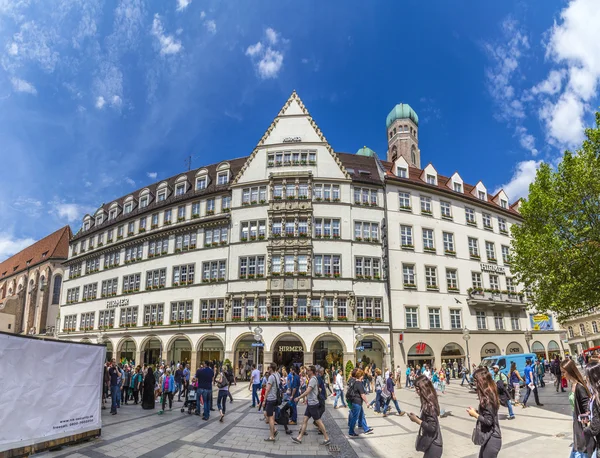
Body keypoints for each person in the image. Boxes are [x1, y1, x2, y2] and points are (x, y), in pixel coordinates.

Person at [467, 367, 502, 458]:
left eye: (476, 380)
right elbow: (489, 414)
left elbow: (489, 421)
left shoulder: (487, 398)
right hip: (489, 438)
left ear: (481, 381)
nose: (475, 383)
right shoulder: (489, 394)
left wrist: (475, 415)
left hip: (492, 438)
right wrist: (477, 412)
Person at [291, 365, 330, 446]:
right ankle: (299, 438)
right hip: (310, 404)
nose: (306, 372)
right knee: (305, 420)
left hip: (313, 404)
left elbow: (307, 391)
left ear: (312, 371)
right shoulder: (314, 379)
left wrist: (298, 397)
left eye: (308, 370)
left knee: (318, 421)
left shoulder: (313, 380)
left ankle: (327, 438)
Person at [561, 358, 593, 458]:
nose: (563, 375)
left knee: (581, 452)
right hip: (576, 421)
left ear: (570, 371)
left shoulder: (579, 387)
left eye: (564, 372)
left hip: (582, 425)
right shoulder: (573, 385)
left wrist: (585, 427)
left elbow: (587, 408)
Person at [408, 375, 443, 458]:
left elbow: (432, 428)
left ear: (423, 389)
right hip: (432, 444)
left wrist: (417, 420)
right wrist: (417, 418)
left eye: (417, 389)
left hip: (434, 444)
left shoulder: (429, 405)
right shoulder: (429, 401)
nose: (416, 392)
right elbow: (429, 421)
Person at [347, 369, 374, 437]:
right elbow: (362, 395)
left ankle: (366, 429)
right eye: (362, 375)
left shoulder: (355, 382)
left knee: (362, 416)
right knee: (355, 417)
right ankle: (351, 431)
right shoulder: (359, 384)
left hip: (356, 402)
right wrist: (367, 403)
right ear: (360, 376)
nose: (363, 377)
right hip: (357, 403)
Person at [583, 362, 600, 458]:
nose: (586, 379)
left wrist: (585, 430)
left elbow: (596, 427)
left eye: (587, 376)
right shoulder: (595, 394)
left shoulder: (597, 397)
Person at [264, 362, 281, 442]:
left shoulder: (271, 377)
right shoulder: (277, 375)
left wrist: (264, 400)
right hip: (275, 399)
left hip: (270, 399)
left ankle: (272, 436)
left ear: (271, 368)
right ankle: (274, 430)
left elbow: (267, 389)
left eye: (269, 367)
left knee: (270, 417)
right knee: (271, 415)